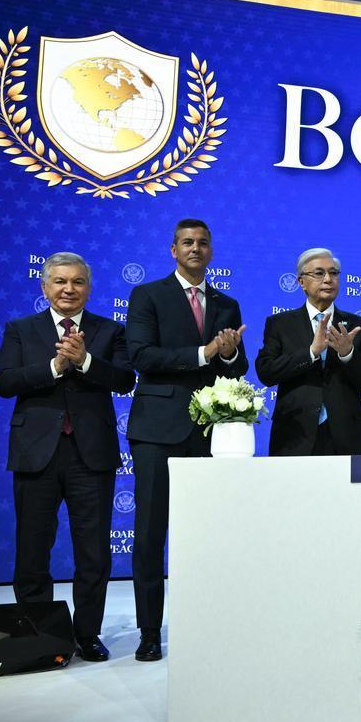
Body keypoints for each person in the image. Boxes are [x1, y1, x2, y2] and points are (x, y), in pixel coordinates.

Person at [0, 252, 135, 663]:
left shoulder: (110, 331)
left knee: (93, 552)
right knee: (32, 550)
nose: (68, 289)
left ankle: (87, 634)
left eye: (76, 282)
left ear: (88, 288)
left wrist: (85, 361)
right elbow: (3, 381)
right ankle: (38, 634)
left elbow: (125, 379)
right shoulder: (21, 330)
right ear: (44, 287)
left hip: (91, 457)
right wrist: (55, 366)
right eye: (59, 281)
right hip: (36, 454)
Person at [126, 219, 247, 661]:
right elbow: (140, 356)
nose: (195, 249)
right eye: (187, 243)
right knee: (151, 535)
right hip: (157, 432)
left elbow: (237, 368)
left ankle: (209, 625)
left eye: (203, 243)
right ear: (172, 250)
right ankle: (149, 632)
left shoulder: (226, 303)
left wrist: (230, 351)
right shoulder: (148, 295)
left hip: (211, 433)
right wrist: (205, 352)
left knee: (207, 536)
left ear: (211, 251)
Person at [255, 248, 361, 455]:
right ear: (301, 282)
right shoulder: (280, 324)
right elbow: (266, 372)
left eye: (334, 273)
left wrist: (348, 354)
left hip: (347, 435)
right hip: (294, 434)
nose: (328, 279)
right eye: (319, 273)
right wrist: (311, 352)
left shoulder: (359, 326)